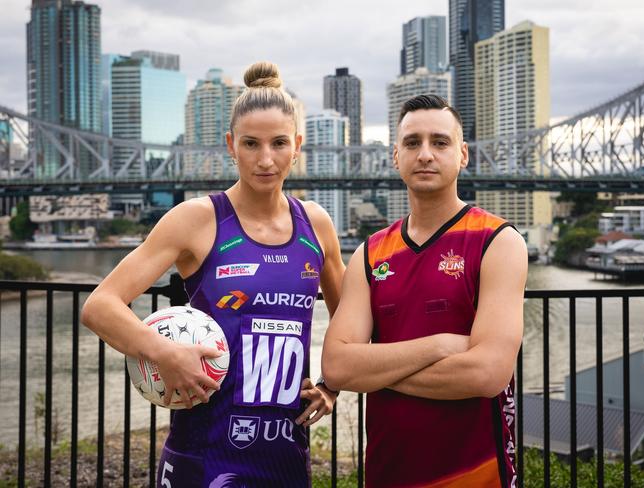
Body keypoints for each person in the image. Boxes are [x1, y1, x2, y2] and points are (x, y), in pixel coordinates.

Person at [82, 61, 345, 487]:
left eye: (279, 143)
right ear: (230, 145)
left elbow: (351, 320)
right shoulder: (198, 219)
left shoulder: (316, 225)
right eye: (250, 144)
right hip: (202, 454)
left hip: (287, 456)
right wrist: (164, 353)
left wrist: (333, 384)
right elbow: (100, 306)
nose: (265, 159)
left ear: (297, 145)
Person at [321, 94, 526, 487]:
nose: (426, 154)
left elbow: (487, 374)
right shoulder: (371, 252)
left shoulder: (498, 241)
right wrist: (439, 346)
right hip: (387, 473)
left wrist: (373, 371)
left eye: (440, 142)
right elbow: (336, 367)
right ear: (395, 156)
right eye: (413, 143)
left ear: (463, 154)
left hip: (477, 475)